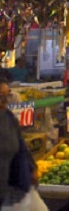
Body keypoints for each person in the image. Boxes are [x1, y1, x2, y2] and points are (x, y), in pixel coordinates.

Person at [0, 79, 37, 208]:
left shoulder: (8, 117)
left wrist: (31, 168)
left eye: (6, 96)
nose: (5, 101)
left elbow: (21, 148)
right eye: (1, 96)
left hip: (9, 192)